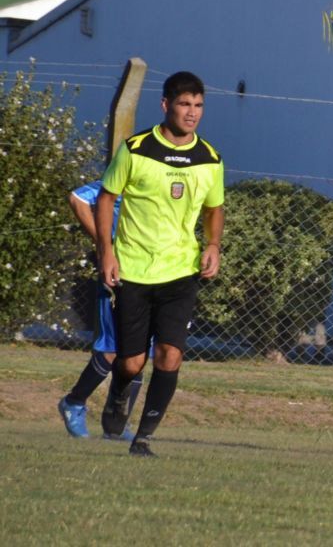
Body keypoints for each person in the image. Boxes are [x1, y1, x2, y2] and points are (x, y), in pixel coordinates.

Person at [96, 71, 224, 457]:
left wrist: (213, 244)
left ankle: (144, 437)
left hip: (180, 272)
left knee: (170, 353)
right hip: (133, 270)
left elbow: (214, 208)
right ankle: (119, 392)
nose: (192, 113)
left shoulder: (209, 158)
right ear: (166, 105)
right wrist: (107, 250)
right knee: (132, 362)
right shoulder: (136, 150)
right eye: (185, 104)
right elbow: (105, 200)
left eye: (198, 105)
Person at [57, 181, 149, 440]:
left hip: (153, 274)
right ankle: (74, 403)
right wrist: (105, 242)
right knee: (111, 349)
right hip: (119, 272)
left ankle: (116, 426)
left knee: (139, 352)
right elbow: (77, 198)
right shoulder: (126, 177)